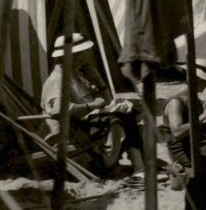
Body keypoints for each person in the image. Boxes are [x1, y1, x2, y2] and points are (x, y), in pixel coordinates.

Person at [41, 33, 144, 179]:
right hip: (70, 133)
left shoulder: (76, 75)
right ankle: (108, 164)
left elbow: (106, 101)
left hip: (81, 126)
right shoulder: (58, 80)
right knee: (117, 120)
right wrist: (92, 105)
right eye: (83, 53)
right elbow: (58, 109)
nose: (87, 57)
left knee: (128, 114)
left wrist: (98, 79)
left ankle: (139, 168)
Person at [161, 57, 206, 170]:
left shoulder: (194, 100)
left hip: (195, 146)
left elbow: (197, 130)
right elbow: (177, 132)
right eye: (204, 80)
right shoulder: (175, 102)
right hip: (183, 154)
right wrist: (204, 116)